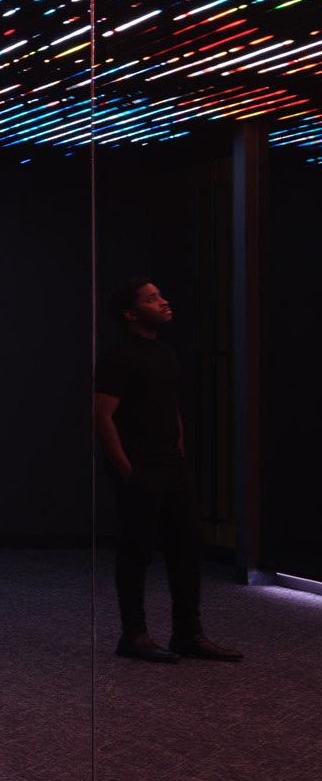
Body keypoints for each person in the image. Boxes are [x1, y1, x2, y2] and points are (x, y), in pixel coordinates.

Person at [93, 278, 240, 665]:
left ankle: (188, 634)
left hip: (172, 468)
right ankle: (134, 635)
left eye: (160, 296)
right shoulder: (120, 356)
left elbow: (169, 405)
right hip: (140, 469)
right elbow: (102, 416)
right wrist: (125, 468)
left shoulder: (166, 353)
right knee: (136, 553)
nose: (163, 302)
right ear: (131, 313)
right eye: (152, 298)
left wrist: (178, 446)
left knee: (186, 551)